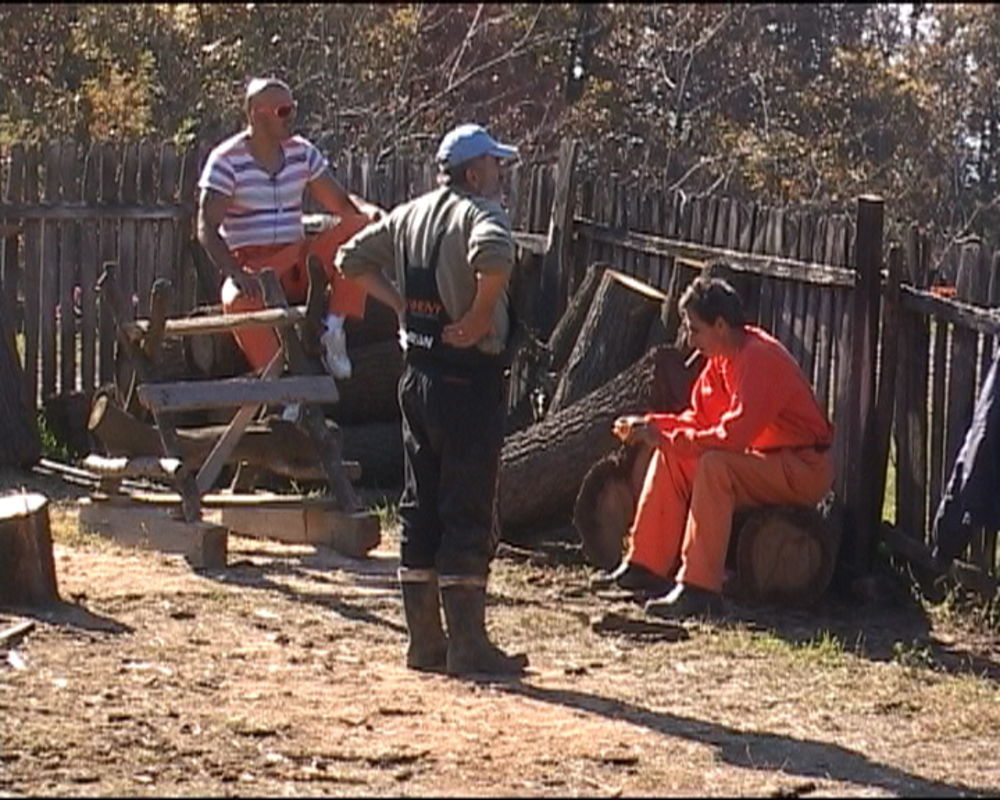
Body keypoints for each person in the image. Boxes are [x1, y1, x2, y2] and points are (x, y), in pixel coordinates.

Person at [335, 123, 527, 676]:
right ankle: (468, 646)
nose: (499, 175)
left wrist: (399, 305)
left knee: (419, 506)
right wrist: (477, 316)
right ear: (473, 172)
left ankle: (424, 642)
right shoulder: (480, 213)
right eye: (494, 166)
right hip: (469, 381)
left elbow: (350, 258)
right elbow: (494, 255)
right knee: (466, 506)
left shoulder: (410, 214)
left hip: (417, 377)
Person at [595, 272, 835, 619]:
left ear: (720, 325)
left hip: (802, 469)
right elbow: (700, 419)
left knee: (714, 466)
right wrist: (652, 426)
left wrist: (664, 434)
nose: (690, 341)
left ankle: (700, 588)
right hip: (766, 463)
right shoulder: (722, 360)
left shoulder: (759, 359)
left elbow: (730, 437)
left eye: (694, 329)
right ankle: (644, 565)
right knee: (672, 457)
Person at [197, 77, 379, 383]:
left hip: (298, 261)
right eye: (283, 111)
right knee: (237, 300)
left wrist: (373, 216)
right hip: (253, 265)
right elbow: (206, 227)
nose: (292, 117)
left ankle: (333, 330)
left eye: (293, 109)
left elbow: (342, 206)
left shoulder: (302, 153)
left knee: (359, 229)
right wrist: (234, 272)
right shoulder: (226, 160)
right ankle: (278, 381)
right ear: (257, 114)